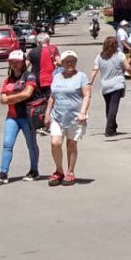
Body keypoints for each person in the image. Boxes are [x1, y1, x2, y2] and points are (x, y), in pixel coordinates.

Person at [43, 50, 91, 187]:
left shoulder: (81, 76)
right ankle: (59, 170)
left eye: (72, 61)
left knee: (71, 144)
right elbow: (52, 97)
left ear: (75, 62)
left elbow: (87, 95)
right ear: (62, 63)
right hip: (57, 116)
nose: (70, 63)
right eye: (67, 61)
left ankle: (70, 172)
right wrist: (47, 113)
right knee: (55, 143)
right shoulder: (57, 76)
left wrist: (83, 112)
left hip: (75, 117)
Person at [0, 51, 39, 184]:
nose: (14, 64)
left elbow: (27, 94)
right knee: (7, 144)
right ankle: (3, 173)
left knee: (31, 145)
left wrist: (10, 98)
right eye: (11, 61)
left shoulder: (29, 76)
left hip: (27, 116)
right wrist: (11, 98)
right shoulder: (8, 79)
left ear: (22, 62)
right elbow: (2, 99)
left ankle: (34, 170)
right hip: (12, 117)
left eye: (16, 61)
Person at [91, 36, 131, 137]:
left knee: (109, 107)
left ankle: (112, 126)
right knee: (113, 107)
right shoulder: (120, 55)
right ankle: (109, 129)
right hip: (118, 85)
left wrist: (90, 82)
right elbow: (128, 67)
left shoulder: (99, 57)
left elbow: (94, 70)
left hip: (105, 86)